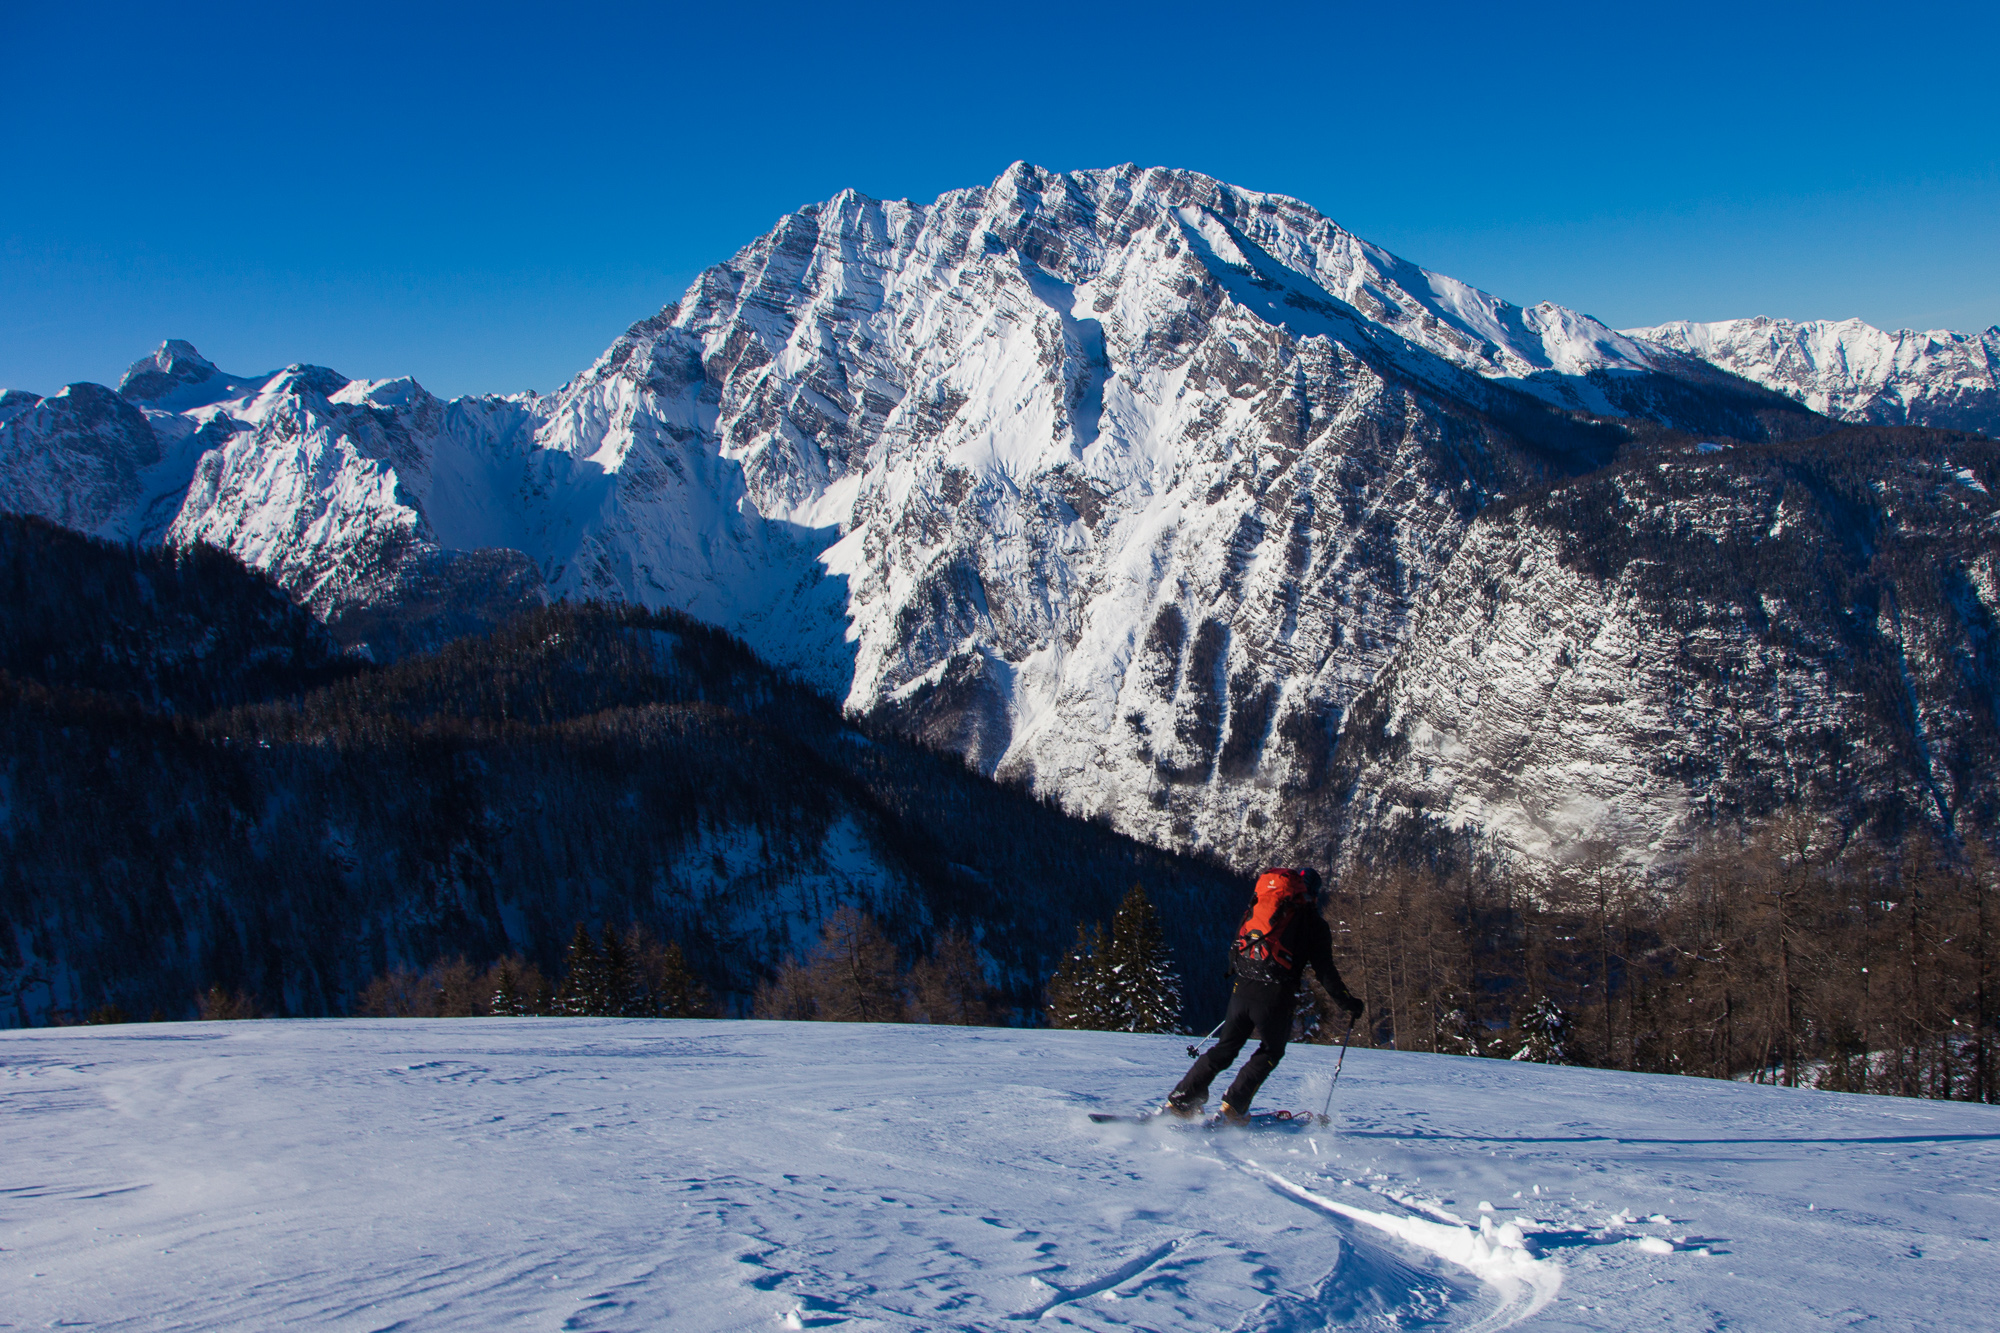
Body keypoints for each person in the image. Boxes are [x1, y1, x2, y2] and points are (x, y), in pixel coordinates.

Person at [1166, 867, 1363, 1122]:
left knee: (1225, 1048)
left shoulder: (1261, 906)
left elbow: (1238, 942)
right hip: (1275, 994)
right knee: (1271, 1050)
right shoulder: (1314, 923)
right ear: (1313, 894)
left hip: (1243, 986)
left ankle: (1182, 1100)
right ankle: (1233, 1107)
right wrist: (1348, 1002)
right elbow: (1325, 972)